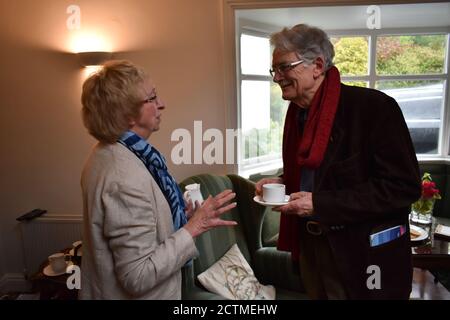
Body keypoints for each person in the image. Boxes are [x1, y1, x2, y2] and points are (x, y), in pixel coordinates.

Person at [255, 24, 421, 299]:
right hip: (312, 249)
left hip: (364, 254)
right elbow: (316, 172)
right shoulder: (298, 114)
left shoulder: (374, 108)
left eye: (284, 67)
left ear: (317, 65)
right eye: (275, 70)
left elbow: (403, 187)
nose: (277, 78)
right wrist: (283, 181)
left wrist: (319, 204)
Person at [79, 60, 237, 299]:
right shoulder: (123, 177)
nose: (162, 104)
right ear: (126, 114)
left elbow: (141, 221)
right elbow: (137, 276)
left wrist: (178, 217)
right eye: (152, 98)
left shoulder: (114, 152)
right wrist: (194, 228)